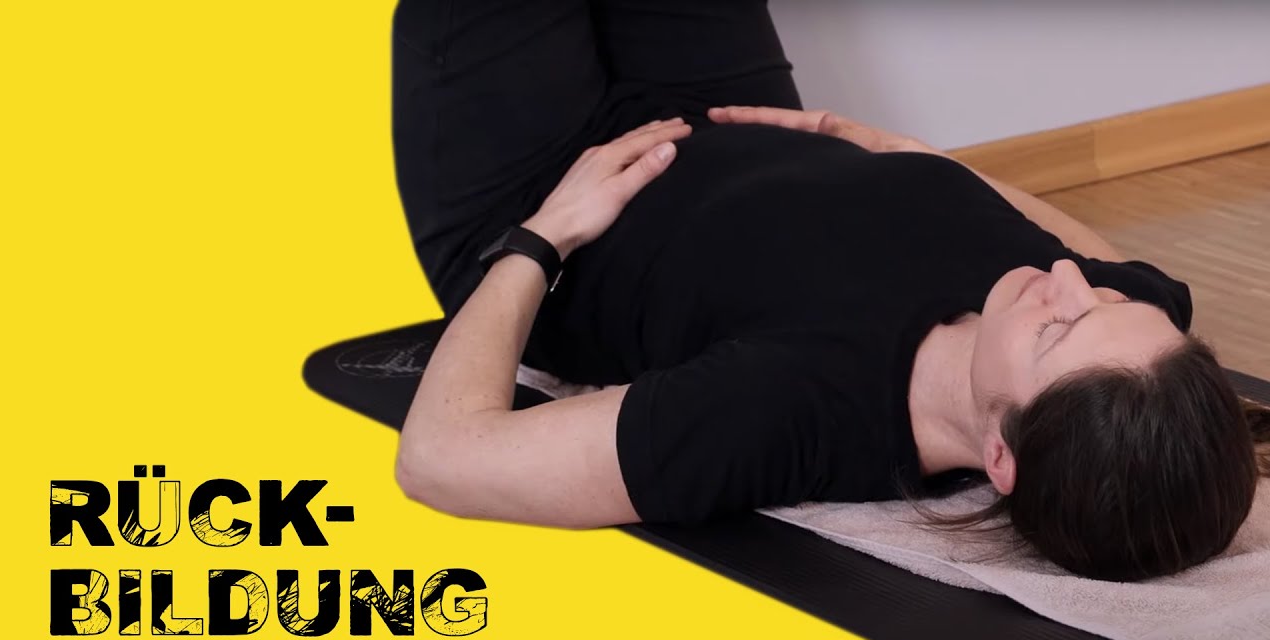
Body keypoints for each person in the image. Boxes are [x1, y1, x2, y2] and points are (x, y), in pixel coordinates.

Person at [390, 0, 1269, 581]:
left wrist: (541, 237)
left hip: (544, 180)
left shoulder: (790, 412)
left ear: (1002, 458)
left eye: (1057, 329)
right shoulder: (1128, 351)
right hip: (724, 113)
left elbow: (443, 458)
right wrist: (905, 155)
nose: (1073, 280)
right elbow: (1108, 265)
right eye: (1112, 305)